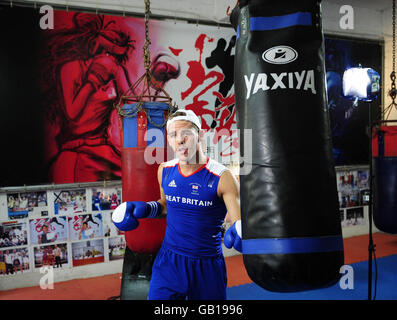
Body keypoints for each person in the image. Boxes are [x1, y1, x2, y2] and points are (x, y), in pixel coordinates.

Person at [112, 109, 242, 300]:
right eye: (173, 135)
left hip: (206, 265)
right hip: (169, 261)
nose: (179, 140)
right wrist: (143, 209)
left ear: (200, 135)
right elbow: (165, 205)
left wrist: (241, 231)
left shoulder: (223, 177)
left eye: (186, 133)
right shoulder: (164, 170)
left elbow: (237, 222)